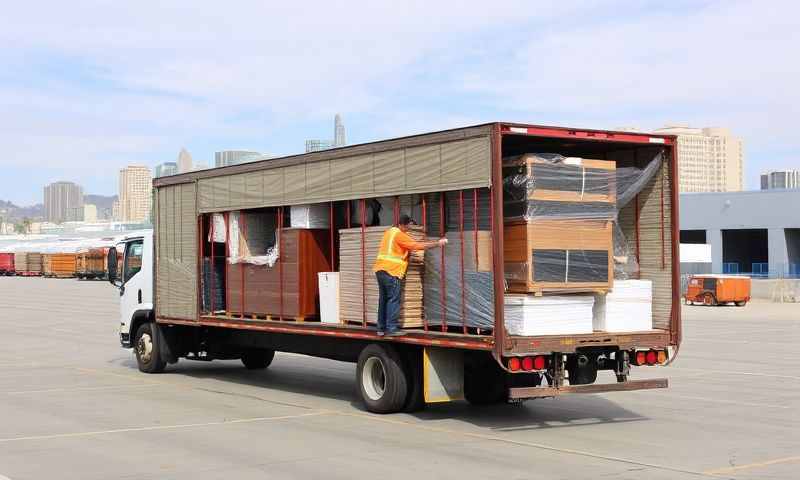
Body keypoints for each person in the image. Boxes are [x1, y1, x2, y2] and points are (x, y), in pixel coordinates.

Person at [373, 214, 447, 336]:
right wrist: (438, 243)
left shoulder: (388, 233)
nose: (408, 230)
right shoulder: (399, 235)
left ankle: (381, 328)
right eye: (407, 227)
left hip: (380, 269)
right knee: (393, 299)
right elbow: (417, 246)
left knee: (383, 299)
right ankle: (391, 328)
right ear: (402, 224)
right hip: (392, 271)